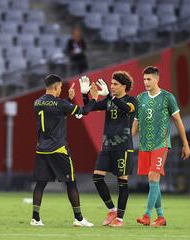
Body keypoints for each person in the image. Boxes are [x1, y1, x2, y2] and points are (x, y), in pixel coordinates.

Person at [30, 74, 97, 227]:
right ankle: (79, 219)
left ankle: (35, 218)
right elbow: (82, 111)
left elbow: (54, 111)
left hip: (41, 149)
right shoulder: (60, 104)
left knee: (40, 184)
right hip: (58, 149)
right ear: (55, 87)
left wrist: (67, 99)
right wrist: (93, 98)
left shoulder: (37, 102)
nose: (60, 90)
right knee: (71, 183)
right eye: (60, 88)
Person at [132, 66, 190, 227]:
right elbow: (135, 123)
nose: (146, 82)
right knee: (153, 181)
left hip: (161, 143)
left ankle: (146, 215)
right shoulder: (140, 98)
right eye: (144, 79)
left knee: (153, 176)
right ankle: (161, 217)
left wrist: (185, 143)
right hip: (144, 145)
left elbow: (178, 120)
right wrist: (128, 141)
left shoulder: (167, 97)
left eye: (149, 79)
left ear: (157, 79)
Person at [79, 72, 137, 227]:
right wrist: (85, 94)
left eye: (115, 84)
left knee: (122, 181)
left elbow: (126, 109)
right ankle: (112, 210)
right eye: (111, 84)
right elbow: (88, 109)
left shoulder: (132, 100)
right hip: (107, 146)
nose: (111, 86)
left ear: (124, 86)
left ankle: (120, 219)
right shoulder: (109, 100)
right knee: (97, 177)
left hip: (123, 148)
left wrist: (110, 97)